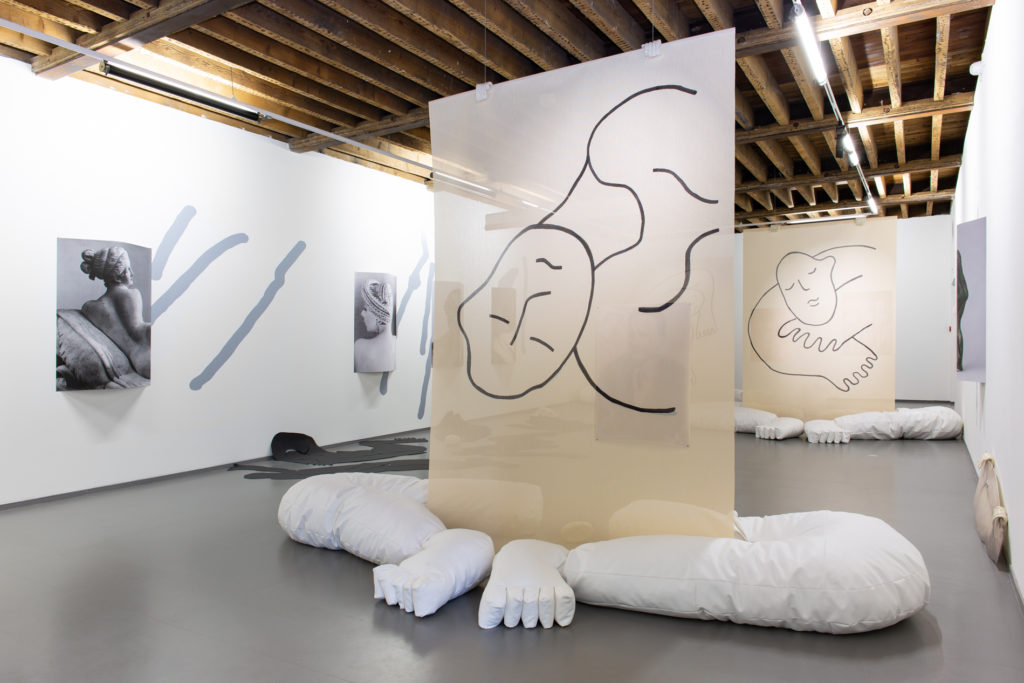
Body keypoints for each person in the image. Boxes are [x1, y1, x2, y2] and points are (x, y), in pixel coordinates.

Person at [57, 246, 151, 390]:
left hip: (137, 358)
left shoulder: (89, 307)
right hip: (145, 353)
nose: (132, 273)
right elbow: (137, 329)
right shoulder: (132, 294)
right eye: (128, 269)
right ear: (117, 275)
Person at [354, 279, 396, 372]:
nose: (362, 313)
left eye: (365, 309)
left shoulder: (359, 347)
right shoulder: (396, 342)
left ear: (378, 314)